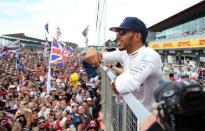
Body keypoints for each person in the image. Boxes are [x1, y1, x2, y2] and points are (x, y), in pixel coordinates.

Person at [85, 16, 164, 112]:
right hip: (141, 114)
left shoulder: (149, 55)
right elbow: (99, 57)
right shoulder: (125, 53)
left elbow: (126, 84)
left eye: (122, 33)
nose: (117, 37)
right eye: (117, 33)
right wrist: (91, 50)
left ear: (137, 36)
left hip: (158, 119)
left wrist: (115, 81)